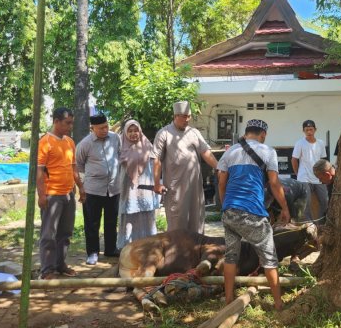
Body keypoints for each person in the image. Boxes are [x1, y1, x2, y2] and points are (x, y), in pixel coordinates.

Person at [217, 119, 290, 311]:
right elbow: (274, 184)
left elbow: (221, 184)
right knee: (269, 258)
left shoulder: (230, 151)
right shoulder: (268, 151)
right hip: (252, 213)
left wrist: (226, 206)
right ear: (263, 135)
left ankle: (228, 298)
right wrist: (285, 208)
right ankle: (278, 303)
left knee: (231, 256)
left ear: (246, 132)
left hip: (229, 212)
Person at [151, 101, 218, 234]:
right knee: (177, 222)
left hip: (195, 186)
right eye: (183, 116)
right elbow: (156, 159)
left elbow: (206, 153)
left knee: (196, 219)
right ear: (175, 116)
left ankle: (195, 252)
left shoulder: (194, 132)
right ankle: (176, 253)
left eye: (189, 116)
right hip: (175, 186)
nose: (187, 119)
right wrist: (157, 183)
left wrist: (219, 167)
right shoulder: (164, 133)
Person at [37, 107, 85, 279]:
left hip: (68, 194)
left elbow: (74, 168)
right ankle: (47, 270)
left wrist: (81, 187)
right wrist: (42, 195)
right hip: (52, 195)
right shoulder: (45, 142)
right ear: (56, 121)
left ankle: (60, 264)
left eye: (71, 123)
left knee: (65, 233)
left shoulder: (69, 142)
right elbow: (39, 171)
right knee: (49, 234)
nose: (70, 126)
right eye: (67, 123)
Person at [76, 114, 121, 265]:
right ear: (92, 128)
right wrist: (95, 173)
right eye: (101, 128)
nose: (105, 130)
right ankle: (93, 253)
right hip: (93, 190)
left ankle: (110, 248)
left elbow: (119, 155)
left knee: (111, 220)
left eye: (106, 126)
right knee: (92, 223)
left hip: (113, 188)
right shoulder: (85, 143)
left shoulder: (115, 138)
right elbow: (79, 164)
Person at [117, 119, 160, 250]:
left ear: (140, 131)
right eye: (130, 131)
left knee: (146, 215)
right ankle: (128, 246)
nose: (133, 133)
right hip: (128, 188)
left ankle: (148, 245)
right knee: (129, 216)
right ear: (125, 133)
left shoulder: (147, 145)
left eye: (136, 130)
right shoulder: (120, 147)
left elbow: (155, 165)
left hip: (145, 187)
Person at [291, 119, 328, 221]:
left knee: (324, 200)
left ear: (315, 130)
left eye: (311, 129)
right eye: (306, 130)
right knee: (306, 203)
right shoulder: (300, 143)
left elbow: (323, 160)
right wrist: (297, 173)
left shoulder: (320, 143)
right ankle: (309, 225)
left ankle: (320, 223)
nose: (309, 132)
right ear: (303, 131)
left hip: (319, 177)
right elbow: (294, 159)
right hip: (304, 177)